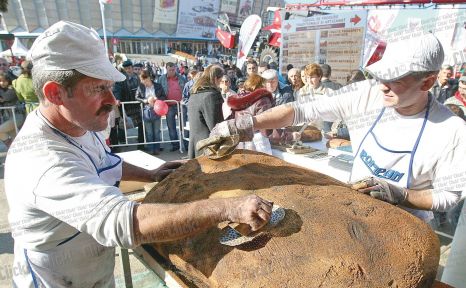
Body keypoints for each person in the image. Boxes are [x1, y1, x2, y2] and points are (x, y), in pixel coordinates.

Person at [4, 21, 272, 288]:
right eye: (97, 88)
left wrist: (150, 173)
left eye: (110, 86)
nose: (112, 100)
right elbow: (122, 222)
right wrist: (224, 209)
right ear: (56, 93)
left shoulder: (76, 123)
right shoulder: (41, 160)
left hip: (88, 273)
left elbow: (106, 163)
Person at [200, 33, 466, 224]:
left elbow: (448, 195)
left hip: (406, 225)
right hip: (357, 211)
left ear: (428, 82)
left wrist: (401, 194)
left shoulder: (451, 131)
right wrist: (246, 123)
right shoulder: (365, 94)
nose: (383, 85)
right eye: (381, 76)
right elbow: (300, 110)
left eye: (395, 79)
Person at [187, 64, 224, 158]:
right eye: (221, 81)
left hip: (196, 146)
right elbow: (216, 127)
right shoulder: (211, 96)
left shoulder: (194, 94)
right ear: (216, 79)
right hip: (208, 148)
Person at [135, 70, 166, 155]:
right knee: (149, 133)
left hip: (156, 111)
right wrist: (144, 100)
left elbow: (164, 96)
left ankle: (157, 149)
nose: (142, 82)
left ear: (148, 78)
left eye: (143, 80)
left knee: (156, 132)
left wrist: (157, 99)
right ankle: (151, 149)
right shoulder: (141, 87)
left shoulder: (158, 86)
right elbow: (137, 97)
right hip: (146, 111)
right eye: (141, 80)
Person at [158, 62, 186, 151]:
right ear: (166, 69)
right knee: (171, 127)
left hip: (181, 105)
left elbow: (185, 90)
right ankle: (175, 145)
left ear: (175, 69)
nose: (171, 72)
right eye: (170, 70)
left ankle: (186, 144)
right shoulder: (161, 79)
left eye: (173, 70)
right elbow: (158, 91)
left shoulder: (182, 78)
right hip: (169, 106)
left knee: (184, 126)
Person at [0, 74, 19, 148]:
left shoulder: (11, 89)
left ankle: (12, 149)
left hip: (17, 116)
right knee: (15, 138)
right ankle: (15, 150)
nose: (2, 83)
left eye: (4, 81)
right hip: (8, 118)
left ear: (8, 81)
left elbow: (6, 97)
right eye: (0, 81)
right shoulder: (2, 90)